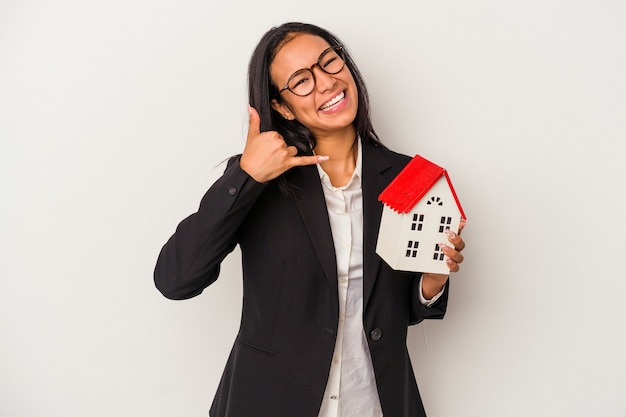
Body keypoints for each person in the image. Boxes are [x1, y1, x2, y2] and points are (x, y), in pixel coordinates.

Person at [154, 22, 466, 417]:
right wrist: (246, 176)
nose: (326, 83)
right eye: (301, 80)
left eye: (329, 62)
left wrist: (432, 282)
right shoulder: (259, 179)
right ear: (282, 107)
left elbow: (395, 314)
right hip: (269, 402)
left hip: (372, 402)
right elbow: (175, 280)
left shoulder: (409, 179)